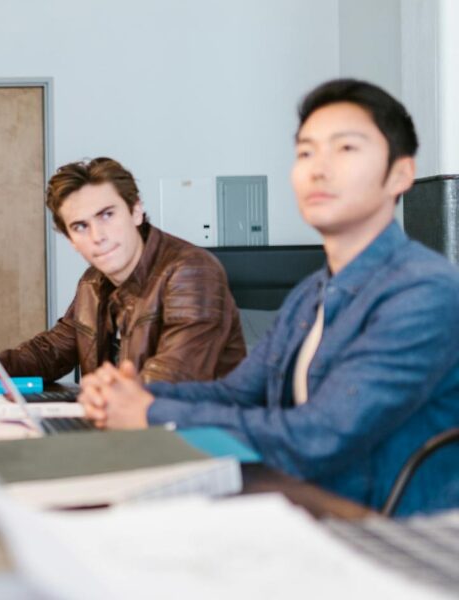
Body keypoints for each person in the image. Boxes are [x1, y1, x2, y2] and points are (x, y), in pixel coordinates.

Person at [80, 79, 459, 516]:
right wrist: (133, 395)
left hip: (384, 540)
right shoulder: (311, 294)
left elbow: (319, 436)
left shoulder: (424, 292)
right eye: (305, 152)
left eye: (346, 149)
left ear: (401, 173)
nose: (318, 168)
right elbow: (236, 394)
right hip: (297, 507)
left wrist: (149, 412)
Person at [0, 157, 246, 385]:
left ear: (136, 211)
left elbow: (174, 380)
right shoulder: (93, 281)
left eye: (106, 215)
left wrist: (100, 400)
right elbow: (52, 351)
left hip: (198, 442)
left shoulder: (191, 272)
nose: (97, 236)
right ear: (70, 240)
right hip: (130, 435)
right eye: (80, 226)